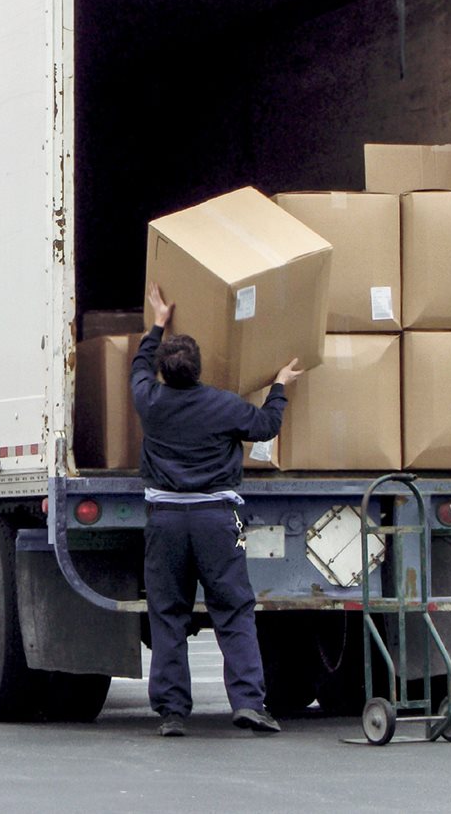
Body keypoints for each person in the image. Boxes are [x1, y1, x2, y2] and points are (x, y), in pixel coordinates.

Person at [131, 282, 302, 738]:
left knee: (168, 613)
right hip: (215, 520)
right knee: (233, 610)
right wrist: (280, 386)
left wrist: (157, 325)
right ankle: (248, 703)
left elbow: (138, 368)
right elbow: (266, 426)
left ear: (164, 373)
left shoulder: (150, 402)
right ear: (200, 368)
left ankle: (172, 712)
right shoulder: (224, 405)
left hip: (165, 522)